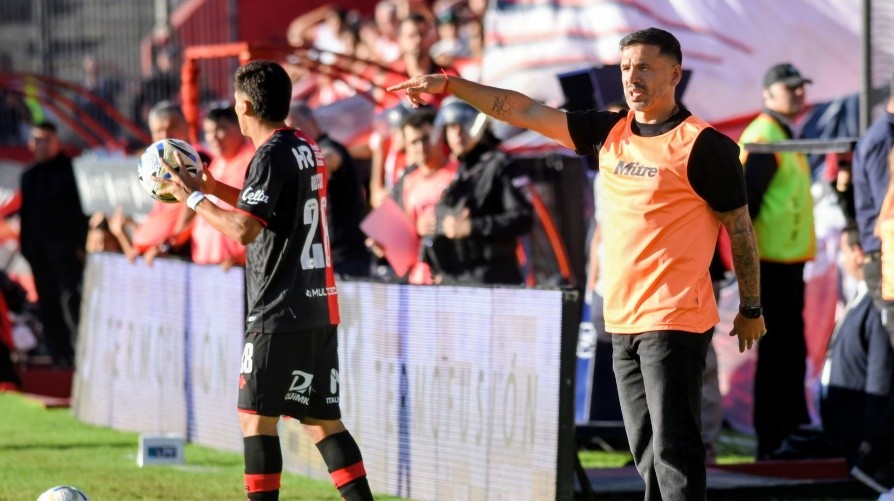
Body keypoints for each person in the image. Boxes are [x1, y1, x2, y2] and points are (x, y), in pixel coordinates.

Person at [388, 27, 765, 499]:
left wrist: (751, 307)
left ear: (675, 74)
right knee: (647, 454)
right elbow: (521, 110)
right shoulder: (608, 132)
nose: (633, 78)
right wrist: (451, 86)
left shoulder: (703, 144)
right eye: (627, 67)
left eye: (645, 67)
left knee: (674, 455)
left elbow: (741, 230)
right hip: (620, 318)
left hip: (675, 318)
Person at [156, 60, 373, 501]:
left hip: (280, 307)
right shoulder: (303, 146)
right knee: (321, 419)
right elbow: (270, 210)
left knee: (255, 418)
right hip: (318, 303)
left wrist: (192, 197)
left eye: (237, 106)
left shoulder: (270, 154)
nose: (235, 114)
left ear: (248, 106)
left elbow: (244, 231)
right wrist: (215, 188)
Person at [738, 62, 816, 459]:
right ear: (768, 94)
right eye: (790, 88)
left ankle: (785, 436)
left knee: (784, 352)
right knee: (777, 354)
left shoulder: (781, 133)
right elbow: (742, 210)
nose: (799, 93)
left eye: (801, 87)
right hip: (769, 265)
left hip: (783, 263)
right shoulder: (765, 136)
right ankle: (775, 441)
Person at [424, 97, 533, 285]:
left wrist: (471, 227)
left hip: (492, 279)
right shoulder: (458, 170)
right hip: (456, 279)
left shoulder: (499, 165)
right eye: (451, 127)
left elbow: (523, 218)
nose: (457, 134)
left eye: (463, 124)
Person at [819, 225, 893, 466]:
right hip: (841, 428)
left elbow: (878, 375)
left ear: (859, 253)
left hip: (857, 428)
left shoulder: (876, 305)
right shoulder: (859, 297)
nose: (841, 259)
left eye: (844, 251)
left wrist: (870, 436)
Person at [19, 121, 89, 367]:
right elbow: (25, 217)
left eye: (47, 139)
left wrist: (81, 246)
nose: (42, 145)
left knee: (71, 301)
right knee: (48, 304)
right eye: (37, 140)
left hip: (67, 253)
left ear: (57, 142)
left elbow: (82, 212)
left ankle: (80, 353)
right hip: (39, 254)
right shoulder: (29, 176)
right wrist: (26, 249)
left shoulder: (71, 171)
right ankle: (58, 355)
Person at [287, 101, 371, 278]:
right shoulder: (301, 156)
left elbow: (331, 157)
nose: (293, 135)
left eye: (295, 127)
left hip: (346, 261)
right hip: (323, 261)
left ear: (312, 122)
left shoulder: (329, 147)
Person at [390, 107, 455, 284]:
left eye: (426, 139)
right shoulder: (407, 181)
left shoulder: (458, 174)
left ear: (439, 136)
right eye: (414, 142)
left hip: (452, 276)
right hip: (417, 279)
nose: (420, 147)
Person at [192, 104, 254, 269]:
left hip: (239, 269)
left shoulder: (254, 159)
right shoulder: (215, 163)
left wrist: (242, 256)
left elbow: (259, 213)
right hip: (207, 264)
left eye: (220, 129)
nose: (213, 137)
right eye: (208, 132)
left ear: (239, 127)